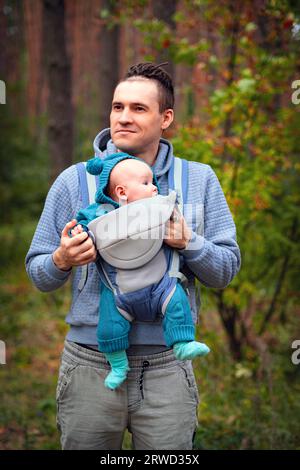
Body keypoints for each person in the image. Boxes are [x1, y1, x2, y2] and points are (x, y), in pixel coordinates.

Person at [25, 62, 241, 450]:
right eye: (117, 106)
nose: (122, 118)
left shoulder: (198, 180)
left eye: (139, 108)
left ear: (166, 118)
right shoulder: (75, 181)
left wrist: (190, 242)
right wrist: (61, 259)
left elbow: (226, 269)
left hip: (168, 370)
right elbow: (38, 272)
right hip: (89, 366)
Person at [70, 153, 210, 390]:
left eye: (153, 183)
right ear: (122, 192)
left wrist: (184, 234)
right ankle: (117, 364)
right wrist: (78, 237)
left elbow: (172, 212)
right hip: (119, 293)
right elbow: (82, 226)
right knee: (110, 326)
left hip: (160, 286)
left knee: (177, 301)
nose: (154, 188)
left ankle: (183, 343)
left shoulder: (157, 206)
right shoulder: (99, 213)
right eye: (146, 183)